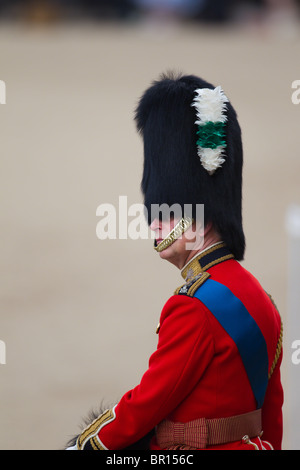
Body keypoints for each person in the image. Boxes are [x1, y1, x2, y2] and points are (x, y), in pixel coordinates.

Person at [67, 72, 283, 450]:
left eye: (169, 211)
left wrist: (87, 444)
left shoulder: (192, 307)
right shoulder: (261, 298)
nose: (155, 222)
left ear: (205, 215)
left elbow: (148, 404)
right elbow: (272, 421)